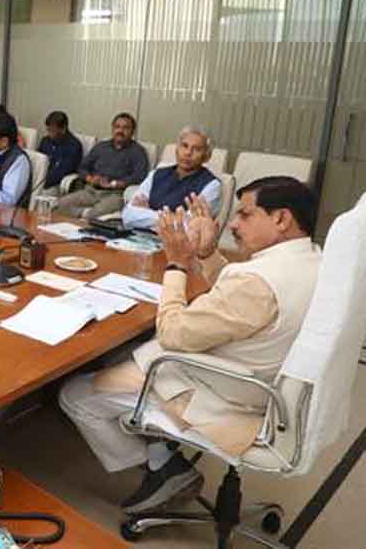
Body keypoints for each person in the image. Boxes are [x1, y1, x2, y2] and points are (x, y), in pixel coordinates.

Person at [59, 178, 321, 515]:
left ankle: (162, 470)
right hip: (263, 382)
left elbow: (171, 332)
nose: (233, 224)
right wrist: (207, 253)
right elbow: (238, 304)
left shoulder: (256, 282)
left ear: (281, 219)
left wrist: (177, 264)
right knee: (122, 353)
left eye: (244, 215)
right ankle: (160, 452)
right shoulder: (310, 260)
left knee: (75, 394)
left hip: (223, 393)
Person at [122, 126, 221, 230]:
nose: (188, 153)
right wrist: (173, 217)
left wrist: (146, 212)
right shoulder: (157, 173)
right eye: (184, 146)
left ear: (206, 156)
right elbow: (128, 215)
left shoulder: (212, 185)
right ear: (177, 149)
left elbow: (190, 227)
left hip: (175, 240)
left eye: (196, 149)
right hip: (138, 236)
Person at [55, 112, 149, 219]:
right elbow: (82, 167)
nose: (120, 131)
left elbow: (140, 176)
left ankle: (85, 216)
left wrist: (116, 184)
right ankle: (83, 215)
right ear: (112, 129)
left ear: (132, 132)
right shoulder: (101, 147)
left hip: (115, 195)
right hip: (91, 191)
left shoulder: (138, 152)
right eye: (117, 127)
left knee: (95, 214)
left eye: (126, 128)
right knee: (59, 205)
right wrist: (91, 179)